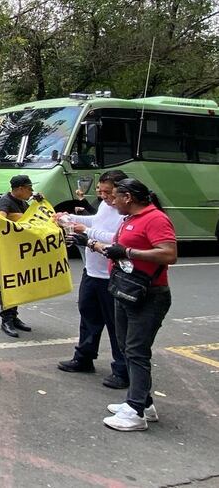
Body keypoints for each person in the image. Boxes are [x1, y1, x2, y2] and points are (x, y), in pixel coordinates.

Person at [92, 178, 176, 432]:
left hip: (148, 294)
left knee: (137, 351)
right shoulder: (130, 219)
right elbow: (120, 249)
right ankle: (144, 403)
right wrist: (93, 245)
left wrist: (128, 253)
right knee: (126, 347)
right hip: (125, 289)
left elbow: (169, 254)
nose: (111, 201)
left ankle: (136, 411)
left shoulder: (155, 219)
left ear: (127, 197)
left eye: (115, 196)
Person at [55, 170, 129, 389]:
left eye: (108, 192)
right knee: (88, 315)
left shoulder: (126, 210)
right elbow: (96, 221)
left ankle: (122, 369)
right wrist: (69, 218)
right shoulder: (107, 206)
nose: (104, 196)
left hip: (111, 275)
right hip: (92, 271)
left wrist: (86, 231)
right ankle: (84, 357)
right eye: (101, 191)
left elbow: (117, 239)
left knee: (116, 325)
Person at [0, 175, 36, 337]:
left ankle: (14, 316)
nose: (31, 191)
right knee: (9, 283)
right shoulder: (6, 202)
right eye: (29, 188)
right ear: (20, 189)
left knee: (18, 282)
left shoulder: (23, 202)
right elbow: (0, 220)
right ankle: (6, 318)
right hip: (10, 251)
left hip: (20, 250)